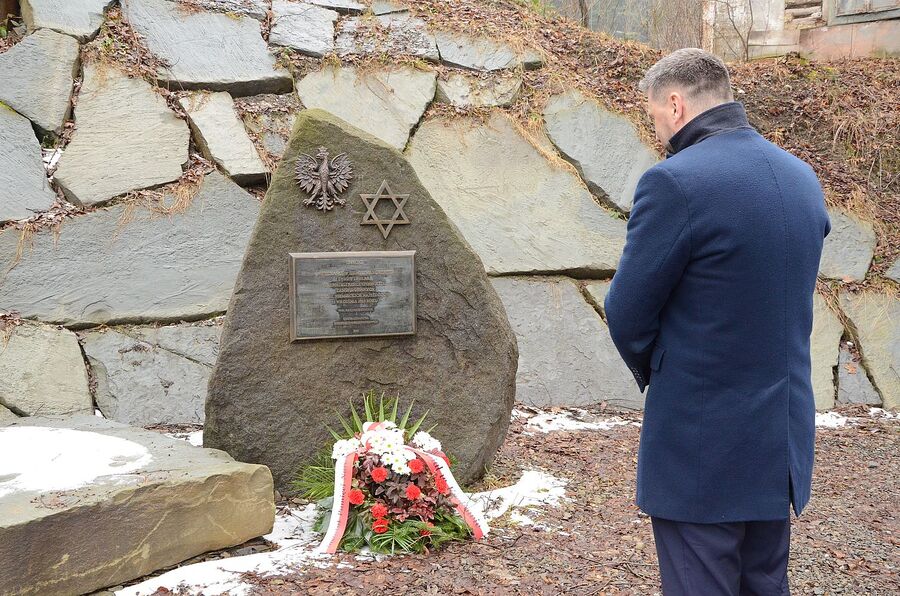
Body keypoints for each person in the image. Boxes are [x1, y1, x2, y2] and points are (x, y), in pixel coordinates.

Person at [604, 48, 831, 595]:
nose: (657, 129)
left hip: (701, 447)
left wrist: (663, 366)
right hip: (778, 444)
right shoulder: (802, 179)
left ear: (676, 104)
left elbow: (627, 311)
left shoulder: (675, 183)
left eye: (655, 115)